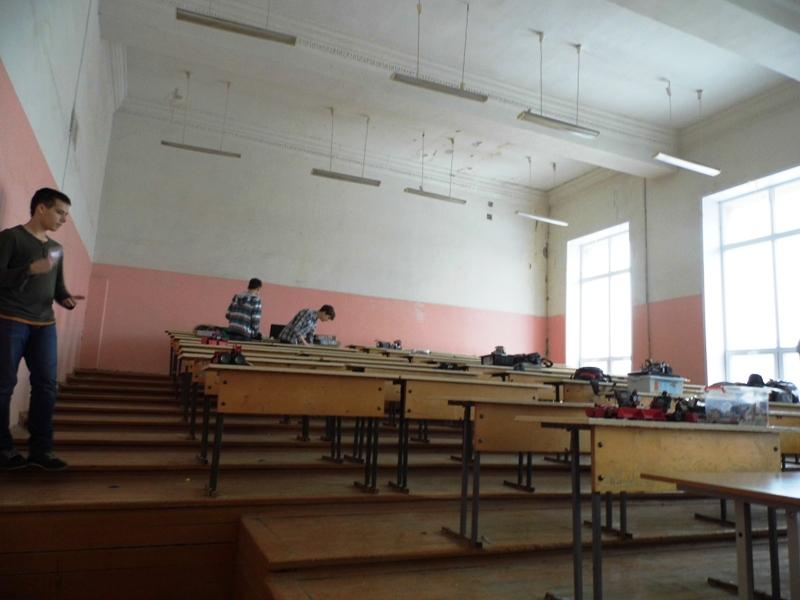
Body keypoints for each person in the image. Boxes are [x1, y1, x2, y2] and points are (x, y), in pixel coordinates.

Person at [0, 188, 84, 471]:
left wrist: (66, 298)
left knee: (47, 386)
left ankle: (41, 450)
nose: (63, 219)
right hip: (10, 319)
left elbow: (58, 287)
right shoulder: (11, 238)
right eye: (60, 212)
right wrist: (28, 269)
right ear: (41, 208)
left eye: (66, 215)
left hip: (45, 324)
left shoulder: (57, 249)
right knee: (4, 385)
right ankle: (3, 449)